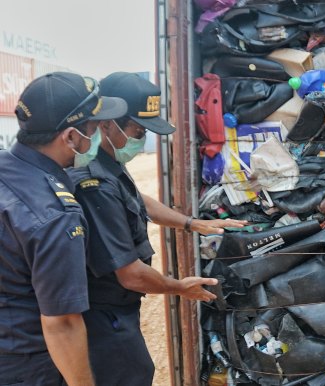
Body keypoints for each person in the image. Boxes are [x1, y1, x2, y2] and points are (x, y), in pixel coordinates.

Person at [67, 71, 246, 385]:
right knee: (133, 376)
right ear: (107, 124)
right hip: (104, 317)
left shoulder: (109, 164)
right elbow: (130, 274)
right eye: (137, 130)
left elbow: (138, 200)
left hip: (117, 311)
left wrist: (193, 223)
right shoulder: (94, 185)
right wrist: (179, 288)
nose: (140, 139)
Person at [0, 72, 127, 385]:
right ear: (71, 137)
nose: (96, 135)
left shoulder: (9, 168)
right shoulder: (56, 216)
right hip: (28, 367)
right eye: (94, 128)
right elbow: (62, 323)